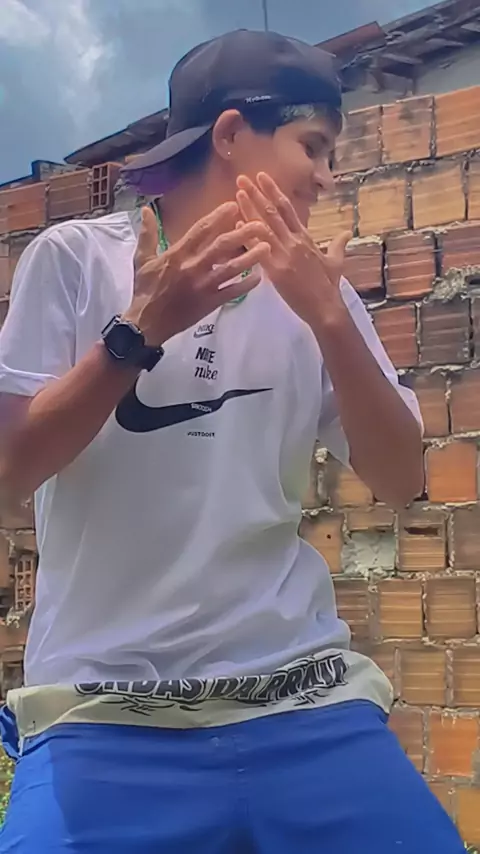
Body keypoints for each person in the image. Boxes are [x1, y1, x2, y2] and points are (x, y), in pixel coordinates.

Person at [0, 29, 464, 854]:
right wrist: (138, 333)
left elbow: (401, 479)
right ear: (230, 134)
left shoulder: (315, 291)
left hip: (303, 698)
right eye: (312, 146)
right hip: (103, 714)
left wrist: (331, 320)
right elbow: (10, 469)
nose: (327, 176)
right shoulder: (74, 261)